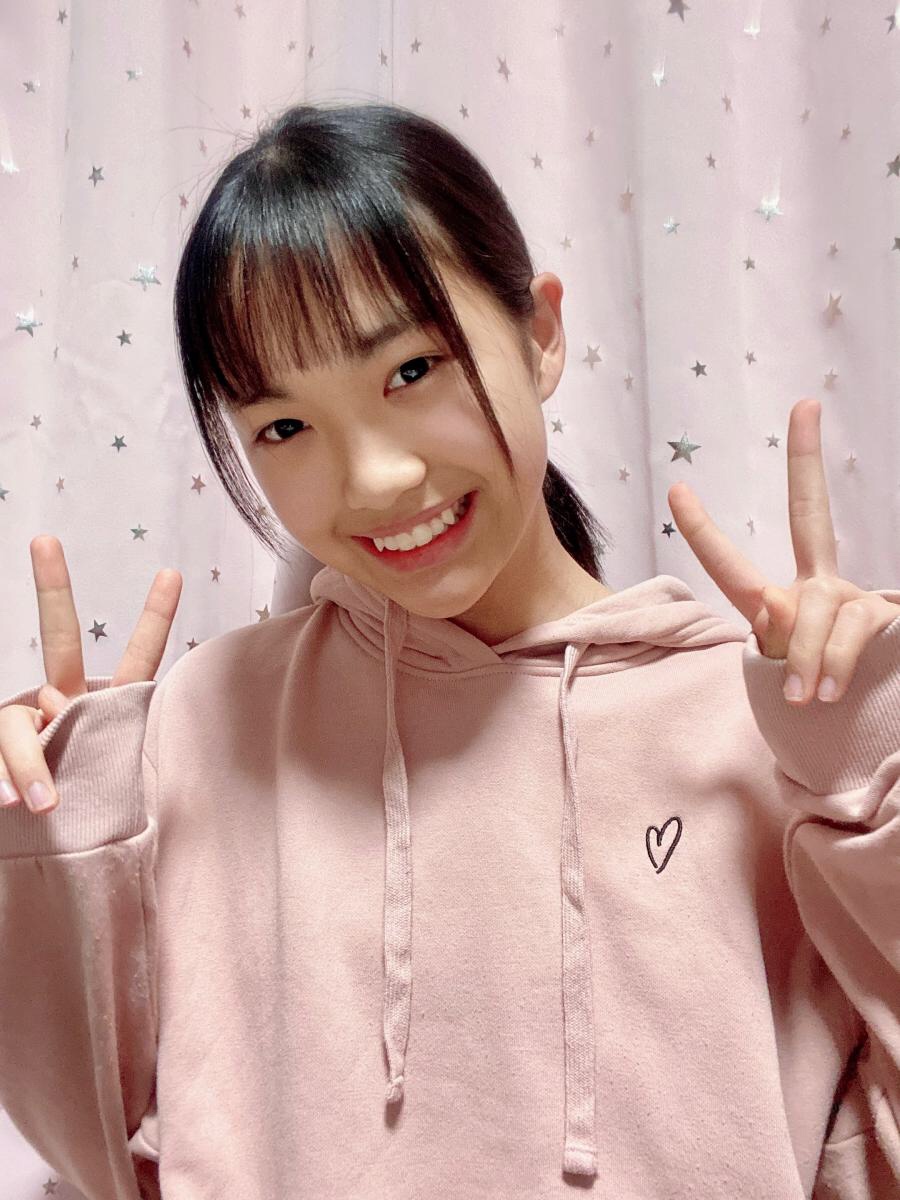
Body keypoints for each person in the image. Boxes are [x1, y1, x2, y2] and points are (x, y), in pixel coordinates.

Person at [0, 100, 898, 1200]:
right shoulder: (209, 726)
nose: (374, 479)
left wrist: (871, 756)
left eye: (412, 370)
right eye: (284, 427)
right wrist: (61, 841)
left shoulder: (761, 732)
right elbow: (102, 1156)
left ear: (541, 334)